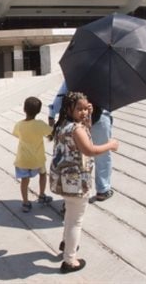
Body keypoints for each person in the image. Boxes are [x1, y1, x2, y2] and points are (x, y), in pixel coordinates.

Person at [49, 91, 119, 274]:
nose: (84, 112)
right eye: (79, 108)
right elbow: (90, 150)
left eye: (85, 109)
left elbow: (78, 139)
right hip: (77, 182)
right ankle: (69, 260)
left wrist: (86, 121)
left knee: (70, 215)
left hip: (63, 180)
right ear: (69, 108)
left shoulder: (63, 125)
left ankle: (66, 243)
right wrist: (111, 144)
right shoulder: (76, 129)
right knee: (75, 221)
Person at [49, 82, 115, 202]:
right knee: (102, 155)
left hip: (78, 118)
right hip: (100, 117)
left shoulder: (77, 70)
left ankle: (69, 196)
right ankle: (103, 189)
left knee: (73, 159)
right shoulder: (109, 73)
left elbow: (62, 94)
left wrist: (52, 113)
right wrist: (111, 145)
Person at [12, 96, 53, 212]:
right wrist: (51, 123)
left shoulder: (19, 125)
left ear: (24, 109)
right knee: (43, 174)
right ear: (39, 111)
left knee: (24, 180)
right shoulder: (40, 124)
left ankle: (25, 202)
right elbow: (51, 132)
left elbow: (16, 134)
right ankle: (42, 195)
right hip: (38, 159)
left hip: (23, 159)